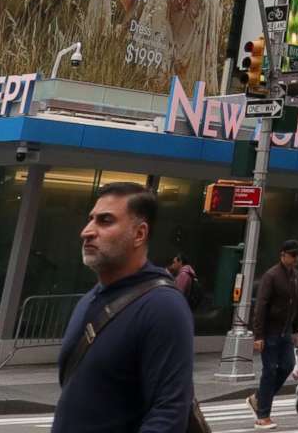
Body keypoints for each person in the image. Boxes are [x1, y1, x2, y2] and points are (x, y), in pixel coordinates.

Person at [52, 184, 195, 433]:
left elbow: (168, 413)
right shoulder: (88, 300)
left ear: (139, 234)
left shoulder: (162, 306)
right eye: (91, 220)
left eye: (105, 221)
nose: (87, 232)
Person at [253, 240, 298, 429]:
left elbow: (297, 303)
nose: (296, 258)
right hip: (269, 332)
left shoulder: (296, 276)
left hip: (285, 332)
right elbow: (261, 305)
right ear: (282, 255)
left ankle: (259, 398)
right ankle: (263, 416)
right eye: (292, 255)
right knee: (269, 371)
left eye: (297, 255)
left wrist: (295, 330)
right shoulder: (271, 276)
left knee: (287, 366)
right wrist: (258, 335)